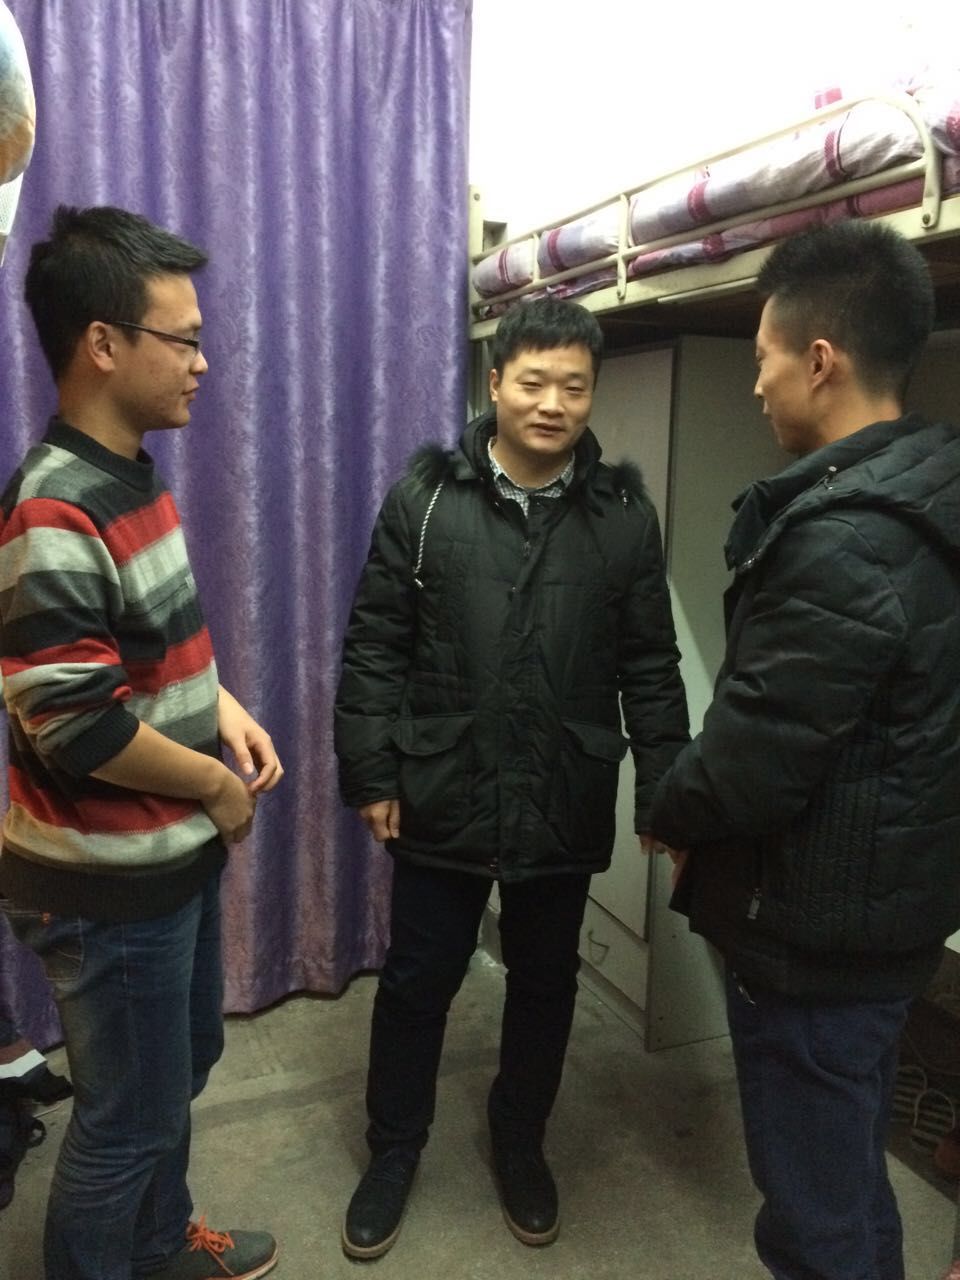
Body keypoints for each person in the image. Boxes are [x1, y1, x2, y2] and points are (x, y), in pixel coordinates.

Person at [334, 297, 688, 1258]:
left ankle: (520, 1139)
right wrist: (371, 772)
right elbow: (375, 646)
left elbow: (651, 663)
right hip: (442, 782)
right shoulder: (426, 503)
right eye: (533, 382)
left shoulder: (622, 516)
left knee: (544, 980)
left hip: (562, 788)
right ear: (494, 384)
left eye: (574, 386)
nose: (552, 404)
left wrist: (664, 788)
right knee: (418, 981)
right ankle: (394, 1148)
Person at [650, 219, 960, 1280]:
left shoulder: (844, 541)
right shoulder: (932, 483)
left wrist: (669, 809)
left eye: (764, 359)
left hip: (816, 934)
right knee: (850, 1175)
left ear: (820, 361)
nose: (755, 386)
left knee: (813, 1212)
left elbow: (755, 755)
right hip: (891, 910)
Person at [0, 205, 284, 1280]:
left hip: (161, 862)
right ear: (104, 344)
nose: (203, 363)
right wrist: (214, 783)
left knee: (181, 1070)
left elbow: (148, 645)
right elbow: (76, 721)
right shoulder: (52, 508)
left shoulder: (129, 473)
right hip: (104, 882)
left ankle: (160, 1248)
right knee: (124, 1121)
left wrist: (223, 704)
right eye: (185, 340)